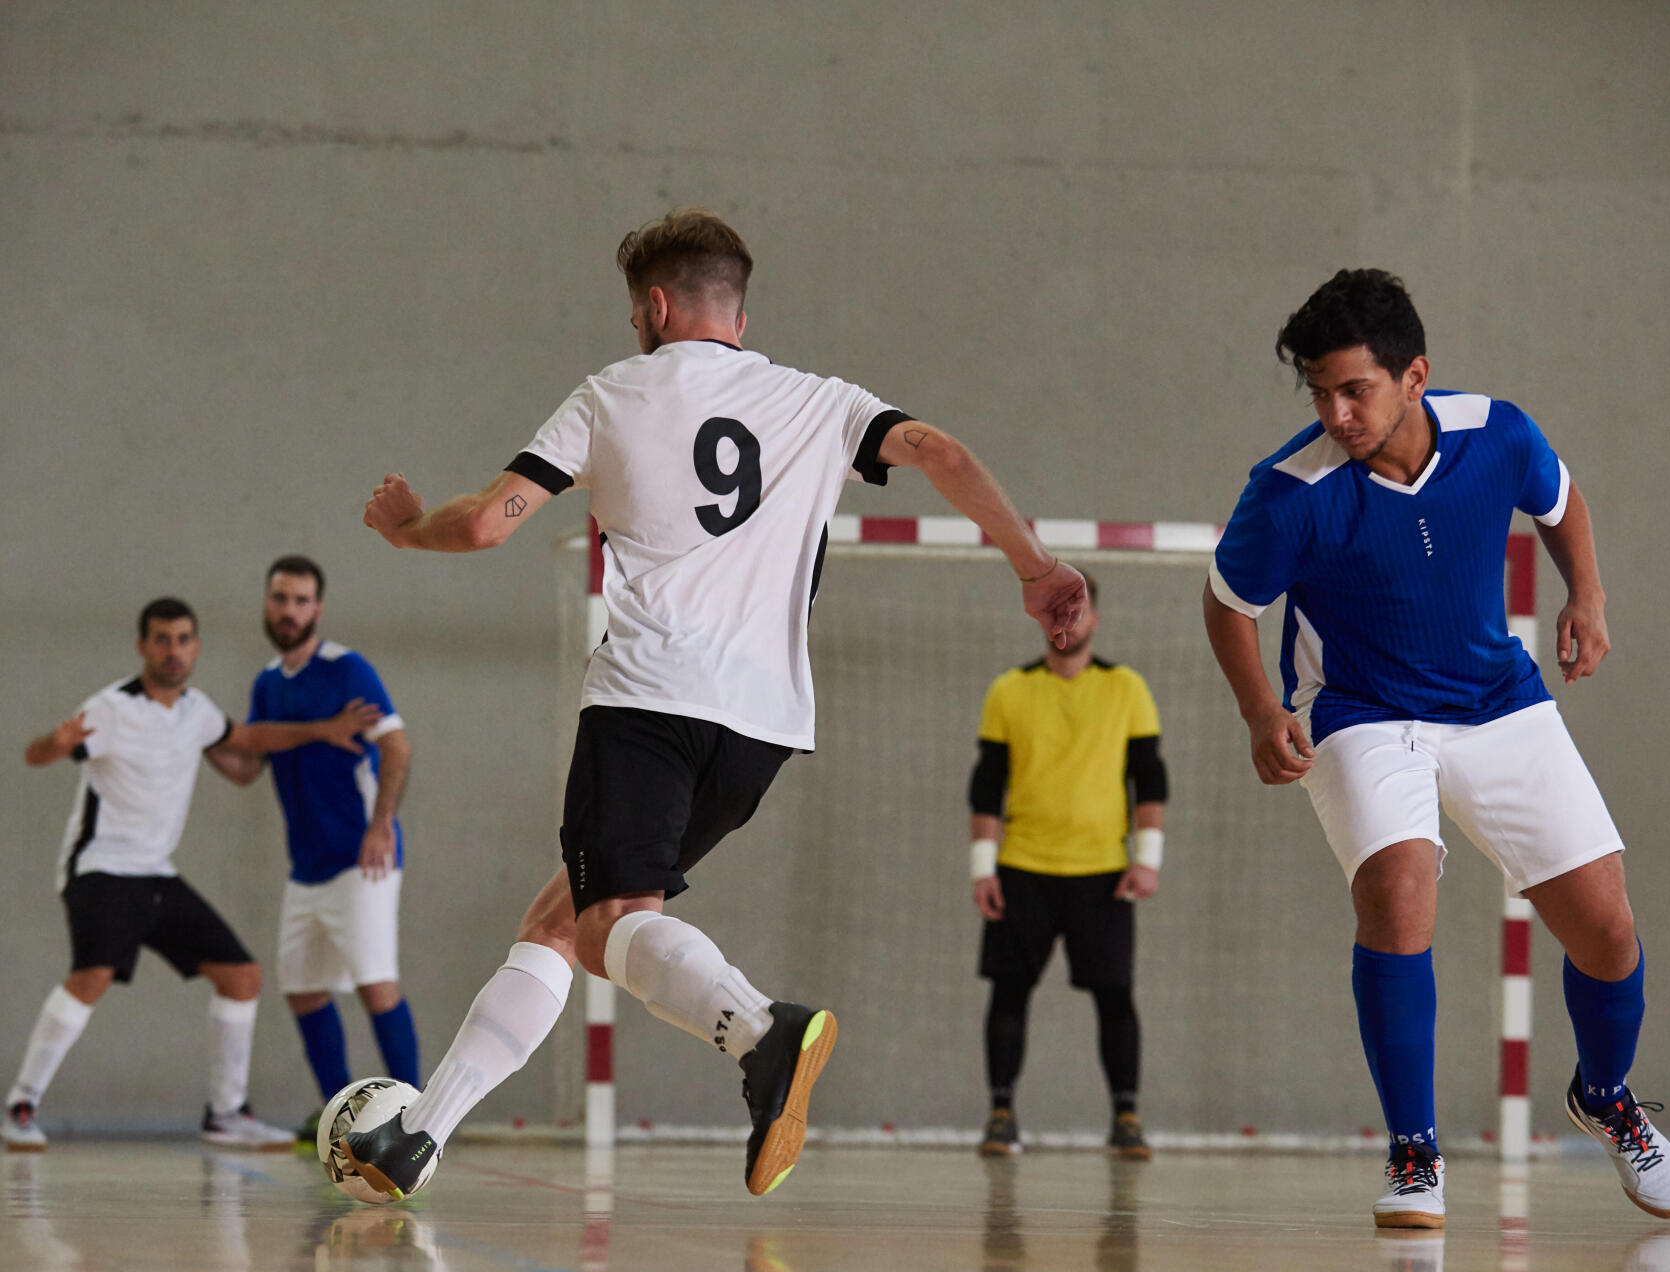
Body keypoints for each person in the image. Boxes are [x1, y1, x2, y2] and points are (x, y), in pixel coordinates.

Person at [342, 207, 1086, 1201]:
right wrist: (1033, 569)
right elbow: (943, 451)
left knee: (609, 925)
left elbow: (483, 525)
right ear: (736, 307)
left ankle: (758, 1030)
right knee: (562, 921)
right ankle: (418, 1139)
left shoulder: (611, 394)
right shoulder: (822, 402)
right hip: (764, 731)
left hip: (648, 701)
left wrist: (403, 531)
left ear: (651, 306)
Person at [1202, 269, 1670, 1228]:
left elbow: (1560, 503)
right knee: (1398, 890)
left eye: (1357, 390)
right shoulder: (1289, 494)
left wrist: (1586, 595)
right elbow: (1228, 605)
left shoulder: (1497, 433)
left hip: (1496, 698)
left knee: (1606, 927)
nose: (1336, 413)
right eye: (1320, 393)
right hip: (1361, 710)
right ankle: (1414, 1153)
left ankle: (1606, 1097)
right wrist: (1264, 713)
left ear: (1414, 375)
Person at [2, 597, 380, 1152]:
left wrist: (325, 729)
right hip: (102, 867)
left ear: (195, 647)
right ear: (142, 646)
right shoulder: (112, 708)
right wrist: (53, 745)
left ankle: (226, 1114)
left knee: (241, 976)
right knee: (94, 974)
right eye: (161, 639)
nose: (173, 650)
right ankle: (21, 1105)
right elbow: (38, 753)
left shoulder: (196, 711)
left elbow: (249, 740)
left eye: (183, 639)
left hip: (156, 874)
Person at [212, 556, 418, 1143]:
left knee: (376, 983)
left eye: (301, 601)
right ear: (267, 603)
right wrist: (202, 737)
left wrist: (382, 826)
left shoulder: (348, 670)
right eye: (280, 598)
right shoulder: (267, 683)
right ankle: (341, 1119)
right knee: (302, 990)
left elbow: (398, 747)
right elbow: (247, 763)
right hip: (306, 866)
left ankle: (420, 1120)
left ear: (318, 609)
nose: (289, 610)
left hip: (363, 859)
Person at [967, 572, 1168, 1159]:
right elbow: (987, 788)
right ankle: (1001, 1113)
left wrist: (1147, 860)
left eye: (1078, 612)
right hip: (1021, 869)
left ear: (1095, 620)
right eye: (1058, 612)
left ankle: (1125, 1117)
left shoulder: (1127, 688)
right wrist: (984, 868)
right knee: (1008, 994)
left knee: (1116, 997)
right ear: (1042, 619)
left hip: (1103, 871)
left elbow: (1150, 780)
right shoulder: (1008, 690)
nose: (1068, 622)